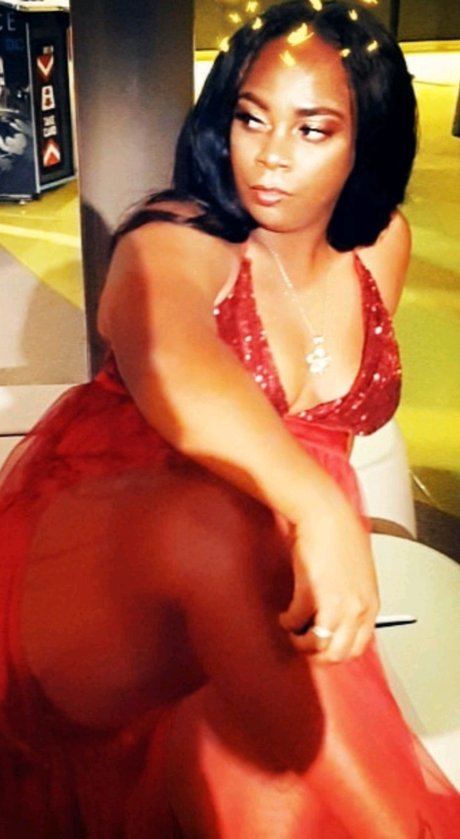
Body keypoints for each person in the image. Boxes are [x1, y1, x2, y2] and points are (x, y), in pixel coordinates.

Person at [0, 1, 459, 835]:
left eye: (312, 130)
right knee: (209, 528)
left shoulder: (380, 245)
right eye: (252, 118)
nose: (272, 155)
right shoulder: (174, 238)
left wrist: (315, 522)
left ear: (367, 142)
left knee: (262, 793)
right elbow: (177, 362)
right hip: (121, 571)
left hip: (258, 593)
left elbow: (330, 437)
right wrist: (317, 509)